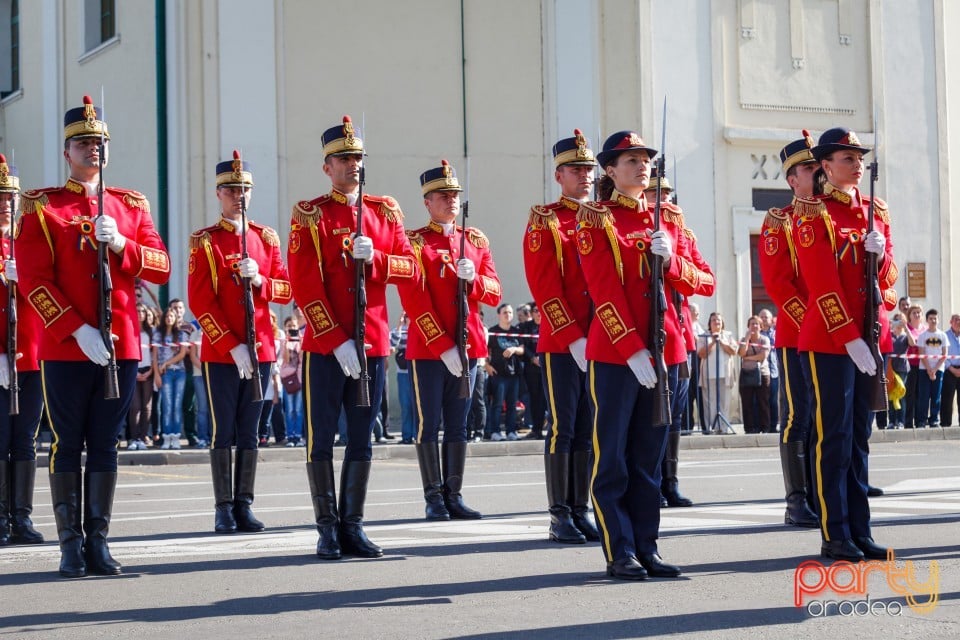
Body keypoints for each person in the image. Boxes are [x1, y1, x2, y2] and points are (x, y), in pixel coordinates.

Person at [17, 96, 171, 576]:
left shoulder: (130, 205)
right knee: (67, 442)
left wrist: (124, 244)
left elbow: (161, 267)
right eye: (84, 143)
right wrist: (74, 327)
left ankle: (98, 541)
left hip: (119, 343)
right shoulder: (43, 206)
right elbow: (33, 279)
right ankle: (69, 544)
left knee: (105, 442)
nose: (93, 150)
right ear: (68, 152)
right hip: (67, 347)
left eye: (99, 142)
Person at [578, 130, 714, 580]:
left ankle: (647, 546)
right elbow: (603, 290)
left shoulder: (670, 219)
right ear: (610, 171)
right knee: (613, 457)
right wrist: (631, 348)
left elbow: (706, 282)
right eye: (630, 160)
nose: (641, 166)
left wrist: (672, 260)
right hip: (619, 357)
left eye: (645, 159)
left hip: (667, 352)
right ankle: (620, 549)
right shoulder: (596, 219)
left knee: (649, 458)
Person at [287, 116, 416, 559]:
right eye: (343, 159)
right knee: (321, 437)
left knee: (362, 438)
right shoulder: (311, 214)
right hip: (326, 348)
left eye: (358, 157)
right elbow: (303, 283)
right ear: (327, 166)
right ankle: (327, 527)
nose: (353, 165)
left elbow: (410, 268)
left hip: (373, 344)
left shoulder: (384, 212)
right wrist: (334, 337)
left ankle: (353, 526)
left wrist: (376, 258)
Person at [794, 127, 898, 561]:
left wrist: (883, 255)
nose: (856, 164)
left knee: (859, 439)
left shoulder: (876, 210)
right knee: (832, 438)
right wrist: (847, 337)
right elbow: (820, 282)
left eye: (858, 157)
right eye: (846, 158)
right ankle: (834, 531)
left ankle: (861, 528)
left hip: (866, 340)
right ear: (825, 166)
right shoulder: (812, 214)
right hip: (830, 342)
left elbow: (888, 281)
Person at [188, 151, 292, 534]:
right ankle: (223, 506)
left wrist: (262, 280)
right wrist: (230, 343)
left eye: (244, 189)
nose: (239, 196)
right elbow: (200, 299)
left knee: (250, 429)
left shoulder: (265, 238)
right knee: (223, 430)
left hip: (261, 347)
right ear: (219, 193)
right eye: (232, 190)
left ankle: (244, 503)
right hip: (222, 351)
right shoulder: (206, 241)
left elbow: (285, 288)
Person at [398, 159, 502, 521]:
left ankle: (453, 494)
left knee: (459, 424)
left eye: (455, 194)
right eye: (443, 195)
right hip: (429, 350)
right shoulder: (415, 242)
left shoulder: (474, 241)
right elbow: (414, 299)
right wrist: (441, 345)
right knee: (430, 423)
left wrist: (473, 279)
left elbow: (494, 291)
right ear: (427, 201)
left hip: (469, 346)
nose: (451, 200)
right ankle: (433, 497)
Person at [523, 129, 601, 543]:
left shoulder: (603, 215)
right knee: (564, 426)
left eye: (589, 168)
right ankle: (559, 514)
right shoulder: (547, 220)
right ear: (559, 175)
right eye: (576, 169)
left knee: (590, 428)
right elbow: (544, 285)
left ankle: (580, 507)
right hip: (562, 341)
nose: (585, 175)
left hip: (604, 341)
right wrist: (573, 337)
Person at [758, 131, 820, 526]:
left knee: (828, 418)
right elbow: (779, 285)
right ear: (792, 179)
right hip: (799, 336)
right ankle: (797, 500)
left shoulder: (835, 214)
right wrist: (821, 323)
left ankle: (824, 491)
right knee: (799, 416)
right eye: (809, 168)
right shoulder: (779, 221)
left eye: (819, 166)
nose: (818, 173)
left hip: (839, 338)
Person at [643, 166, 714, 508]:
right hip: (649, 335)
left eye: (667, 194)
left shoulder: (679, 231)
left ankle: (669, 481)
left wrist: (672, 262)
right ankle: (651, 482)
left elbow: (705, 279)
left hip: (680, 336)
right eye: (656, 195)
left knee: (674, 416)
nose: (664, 201)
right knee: (651, 417)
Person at [0, 153, 45, 546]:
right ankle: (0, 516)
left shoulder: (28, 241)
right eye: (0, 197)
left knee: (25, 439)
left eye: (10, 198)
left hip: (31, 356)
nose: (5, 204)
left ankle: (22, 517)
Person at [484, 304, 524, 441]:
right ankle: (495, 432)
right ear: (499, 315)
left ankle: (511, 431)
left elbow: (523, 349)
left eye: (510, 312)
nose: (508, 315)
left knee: (512, 405)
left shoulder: (516, 331)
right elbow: (484, 351)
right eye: (505, 312)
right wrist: (486, 366)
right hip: (498, 374)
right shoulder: (493, 331)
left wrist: (513, 349)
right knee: (497, 404)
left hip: (513, 374)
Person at [153, 304, 189, 449]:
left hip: (179, 372)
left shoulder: (181, 334)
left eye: (171, 316)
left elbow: (182, 353)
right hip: (165, 374)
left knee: (177, 405)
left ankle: (175, 437)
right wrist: (157, 373)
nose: (169, 318)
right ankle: (166, 436)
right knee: (167, 406)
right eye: (167, 316)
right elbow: (154, 357)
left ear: (175, 318)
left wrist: (166, 363)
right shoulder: (157, 333)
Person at [697, 312, 738, 433]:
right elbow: (701, 354)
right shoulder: (703, 336)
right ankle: (713, 427)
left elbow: (733, 351)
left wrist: (722, 342)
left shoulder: (728, 335)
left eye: (719, 320)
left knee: (724, 402)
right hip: (709, 374)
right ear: (710, 323)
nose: (716, 322)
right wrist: (713, 342)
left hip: (725, 374)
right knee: (710, 402)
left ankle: (723, 427)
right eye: (714, 320)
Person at [128, 303, 156, 450]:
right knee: (135, 406)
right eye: (137, 310)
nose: (140, 313)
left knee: (147, 407)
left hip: (148, 370)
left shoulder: (151, 332)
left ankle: (143, 437)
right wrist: (135, 372)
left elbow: (155, 355)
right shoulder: (130, 329)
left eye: (142, 311)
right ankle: (134, 438)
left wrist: (150, 371)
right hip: (133, 369)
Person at [737, 315, 772, 434]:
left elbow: (763, 356)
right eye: (752, 324)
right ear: (748, 326)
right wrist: (746, 339)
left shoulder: (764, 339)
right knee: (747, 403)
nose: (754, 326)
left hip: (762, 374)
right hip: (747, 373)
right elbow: (741, 353)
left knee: (763, 402)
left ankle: (765, 427)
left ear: (761, 326)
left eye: (757, 324)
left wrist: (749, 357)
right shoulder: (744, 339)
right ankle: (749, 428)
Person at [915, 309, 948, 428]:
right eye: (931, 318)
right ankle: (921, 421)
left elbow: (945, 354)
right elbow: (921, 353)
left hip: (938, 369)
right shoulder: (922, 336)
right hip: (924, 369)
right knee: (923, 396)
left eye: (935, 318)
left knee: (936, 395)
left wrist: (935, 369)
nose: (933, 321)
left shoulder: (943, 335)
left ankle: (934, 419)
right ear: (927, 320)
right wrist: (929, 369)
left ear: (938, 320)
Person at [519, 304, 546, 439]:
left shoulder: (548, 324)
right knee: (535, 401)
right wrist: (532, 358)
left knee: (549, 401)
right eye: (536, 311)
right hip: (532, 369)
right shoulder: (526, 327)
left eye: (540, 310)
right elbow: (523, 345)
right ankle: (537, 429)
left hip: (547, 367)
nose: (538, 313)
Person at [280, 315, 304, 446]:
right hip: (288, 378)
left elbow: (301, 359)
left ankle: (298, 436)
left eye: (294, 326)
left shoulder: (302, 340)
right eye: (289, 326)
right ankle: (290, 436)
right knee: (289, 409)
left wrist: (299, 341)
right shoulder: (284, 341)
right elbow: (286, 359)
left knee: (299, 409)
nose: (292, 328)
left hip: (299, 378)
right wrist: (288, 341)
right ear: (285, 328)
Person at [902, 304, 925, 428]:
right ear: (909, 316)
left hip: (923, 366)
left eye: (918, 312)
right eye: (914, 312)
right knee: (910, 394)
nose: (917, 314)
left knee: (921, 394)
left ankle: (920, 421)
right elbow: (912, 343)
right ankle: (908, 422)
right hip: (910, 366)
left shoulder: (925, 329)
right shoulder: (908, 329)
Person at [758, 308, 779, 429]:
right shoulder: (757, 333)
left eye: (767, 317)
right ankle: (762, 425)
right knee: (761, 400)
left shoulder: (776, 333)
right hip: (760, 371)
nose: (764, 319)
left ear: (771, 320)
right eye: (762, 316)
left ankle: (773, 425)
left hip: (774, 370)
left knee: (773, 400)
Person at [941, 313, 960, 427]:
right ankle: (945, 423)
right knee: (947, 398)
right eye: (956, 320)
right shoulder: (945, 335)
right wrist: (952, 369)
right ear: (951, 322)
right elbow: (942, 354)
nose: (958, 322)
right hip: (949, 370)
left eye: (959, 320)